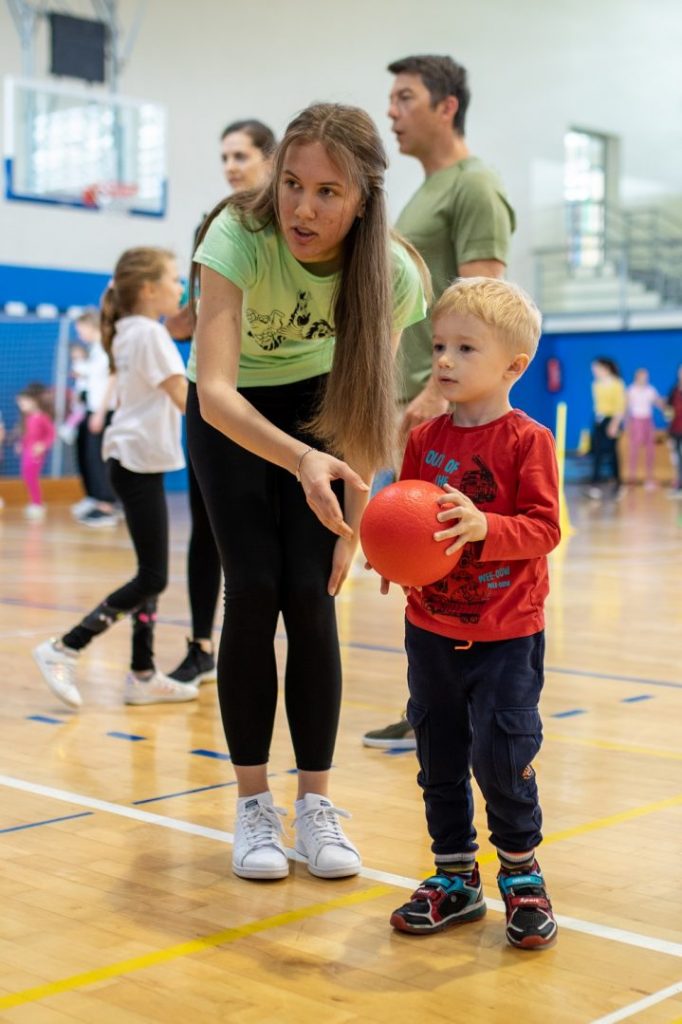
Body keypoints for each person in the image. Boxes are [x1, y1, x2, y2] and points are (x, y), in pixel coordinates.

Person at [189, 102, 427, 882]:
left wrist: (356, 526)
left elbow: (364, 404)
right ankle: (254, 804)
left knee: (312, 591)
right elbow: (216, 390)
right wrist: (299, 462)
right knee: (252, 590)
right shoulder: (237, 235)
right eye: (292, 183)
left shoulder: (389, 272)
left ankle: (316, 806)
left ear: (363, 197)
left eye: (327, 192)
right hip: (237, 419)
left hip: (322, 410)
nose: (302, 207)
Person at [370, 277, 560, 949]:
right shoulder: (424, 437)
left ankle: (520, 874)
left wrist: (485, 527)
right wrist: (395, 560)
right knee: (439, 753)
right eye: (439, 346)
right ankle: (454, 877)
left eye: (464, 348)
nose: (444, 361)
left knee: (501, 755)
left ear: (513, 365)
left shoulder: (527, 441)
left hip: (507, 633)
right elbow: (408, 520)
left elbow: (544, 529)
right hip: (430, 629)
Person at [364, 53, 516, 751]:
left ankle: (466, 704)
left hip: (440, 405)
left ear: (445, 107)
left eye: (404, 98)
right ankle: (429, 704)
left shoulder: (474, 187)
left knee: (447, 550)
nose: (391, 112)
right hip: (409, 398)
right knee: (416, 559)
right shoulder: (424, 190)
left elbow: (481, 305)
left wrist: (432, 391)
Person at [33, 247, 200, 710]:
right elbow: (187, 399)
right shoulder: (148, 334)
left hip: (133, 460)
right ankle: (66, 646)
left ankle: (143, 673)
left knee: (151, 573)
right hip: (136, 461)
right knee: (153, 575)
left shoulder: (131, 330)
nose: (179, 288)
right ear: (147, 289)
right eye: (172, 279)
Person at [167, 119, 277, 686]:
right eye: (225, 157)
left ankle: (259, 641)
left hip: (269, 386)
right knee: (206, 524)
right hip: (209, 385)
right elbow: (195, 314)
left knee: (263, 527)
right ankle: (201, 644)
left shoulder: (291, 225)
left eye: (242, 155)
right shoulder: (208, 227)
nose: (232, 166)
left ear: (269, 158)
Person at [68, 310, 119, 528]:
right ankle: (97, 498)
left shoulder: (107, 347)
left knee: (100, 458)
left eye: (81, 329)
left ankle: (106, 504)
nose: (80, 334)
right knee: (91, 456)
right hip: (93, 408)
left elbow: (112, 379)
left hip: (104, 410)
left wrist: (99, 412)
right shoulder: (96, 349)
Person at [586, 357, 626, 500]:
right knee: (597, 453)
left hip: (612, 420)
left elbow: (620, 406)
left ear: (605, 368)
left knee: (612, 453)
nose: (594, 371)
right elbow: (598, 405)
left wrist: (614, 424)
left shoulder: (617, 384)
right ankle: (594, 485)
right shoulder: (595, 384)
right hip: (599, 421)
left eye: (596, 368)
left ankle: (619, 485)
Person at [15, 382, 56, 520]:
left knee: (32, 476)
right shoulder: (27, 418)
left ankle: (37, 503)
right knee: (26, 475)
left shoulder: (42, 417)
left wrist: (43, 445)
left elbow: (51, 435)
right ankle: (34, 501)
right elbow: (27, 435)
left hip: (36, 453)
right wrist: (21, 444)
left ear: (34, 401)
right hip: (27, 451)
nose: (22, 406)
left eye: (24, 402)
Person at [625, 368, 664, 490]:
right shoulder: (631, 390)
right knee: (634, 450)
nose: (645, 379)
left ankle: (649, 479)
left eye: (646, 376)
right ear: (637, 377)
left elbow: (659, 403)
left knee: (650, 450)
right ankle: (631, 479)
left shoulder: (650, 389)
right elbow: (626, 407)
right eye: (642, 376)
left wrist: (667, 405)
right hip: (636, 420)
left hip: (648, 420)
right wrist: (626, 424)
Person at [665, 363, 682, 497]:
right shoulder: (674, 390)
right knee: (677, 459)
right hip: (675, 430)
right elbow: (668, 408)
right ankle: (679, 485)